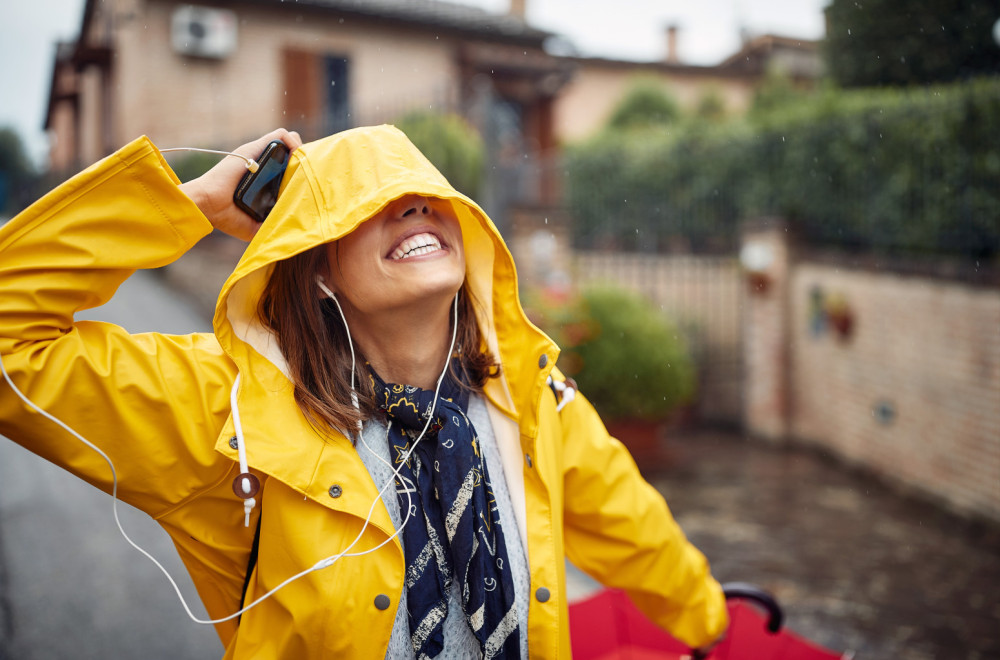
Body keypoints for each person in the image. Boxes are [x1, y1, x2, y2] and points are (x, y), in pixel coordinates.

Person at [0, 125, 728, 658]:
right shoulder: (226, 409)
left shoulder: (531, 398)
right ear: (315, 269)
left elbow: (633, 527)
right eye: (370, 205)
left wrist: (715, 628)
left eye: (424, 197)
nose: (413, 210)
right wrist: (185, 205)